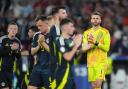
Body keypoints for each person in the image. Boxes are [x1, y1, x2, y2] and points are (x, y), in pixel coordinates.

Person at [82, 11, 111, 89]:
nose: (95, 20)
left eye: (97, 18)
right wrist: (89, 45)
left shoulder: (105, 32)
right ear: (91, 20)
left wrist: (96, 42)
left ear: (100, 20)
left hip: (101, 63)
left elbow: (107, 48)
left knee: (98, 84)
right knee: (94, 86)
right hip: (90, 63)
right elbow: (84, 48)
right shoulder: (86, 33)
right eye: (93, 18)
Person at [55, 18, 82, 89]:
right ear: (65, 27)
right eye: (71, 26)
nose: (74, 28)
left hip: (71, 74)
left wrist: (88, 46)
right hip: (63, 75)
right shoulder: (60, 40)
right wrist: (76, 45)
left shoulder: (70, 40)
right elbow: (67, 57)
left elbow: (76, 56)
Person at [28, 15, 51, 89]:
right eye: (37, 26)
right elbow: (32, 52)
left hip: (49, 68)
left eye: (40, 25)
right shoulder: (36, 35)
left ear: (47, 23)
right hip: (37, 67)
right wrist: (38, 45)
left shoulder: (54, 35)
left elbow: (54, 52)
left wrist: (43, 43)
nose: (39, 28)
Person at [49, 6, 68, 85]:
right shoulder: (55, 28)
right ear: (57, 15)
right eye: (63, 13)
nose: (66, 15)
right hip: (56, 63)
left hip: (60, 63)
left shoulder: (61, 28)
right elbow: (59, 43)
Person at [0, 22, 21, 89]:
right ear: (8, 30)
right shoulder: (2, 39)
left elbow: (18, 57)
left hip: (11, 70)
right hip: (1, 69)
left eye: (15, 29)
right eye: (11, 28)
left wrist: (17, 51)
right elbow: (1, 53)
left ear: (17, 31)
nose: (13, 30)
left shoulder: (18, 41)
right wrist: (11, 48)